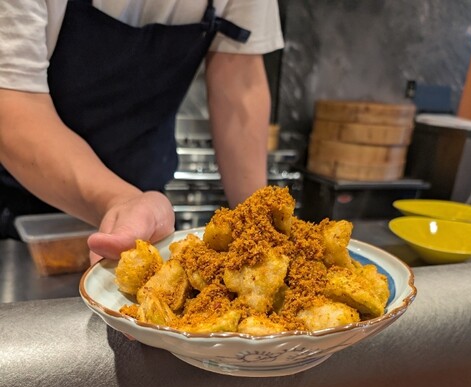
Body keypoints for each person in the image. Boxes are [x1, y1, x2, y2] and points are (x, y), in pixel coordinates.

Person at [0, 0, 284, 261]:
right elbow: (14, 103)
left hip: (144, 211)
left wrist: (258, 230)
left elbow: (239, 84)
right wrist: (120, 200)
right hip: (22, 207)